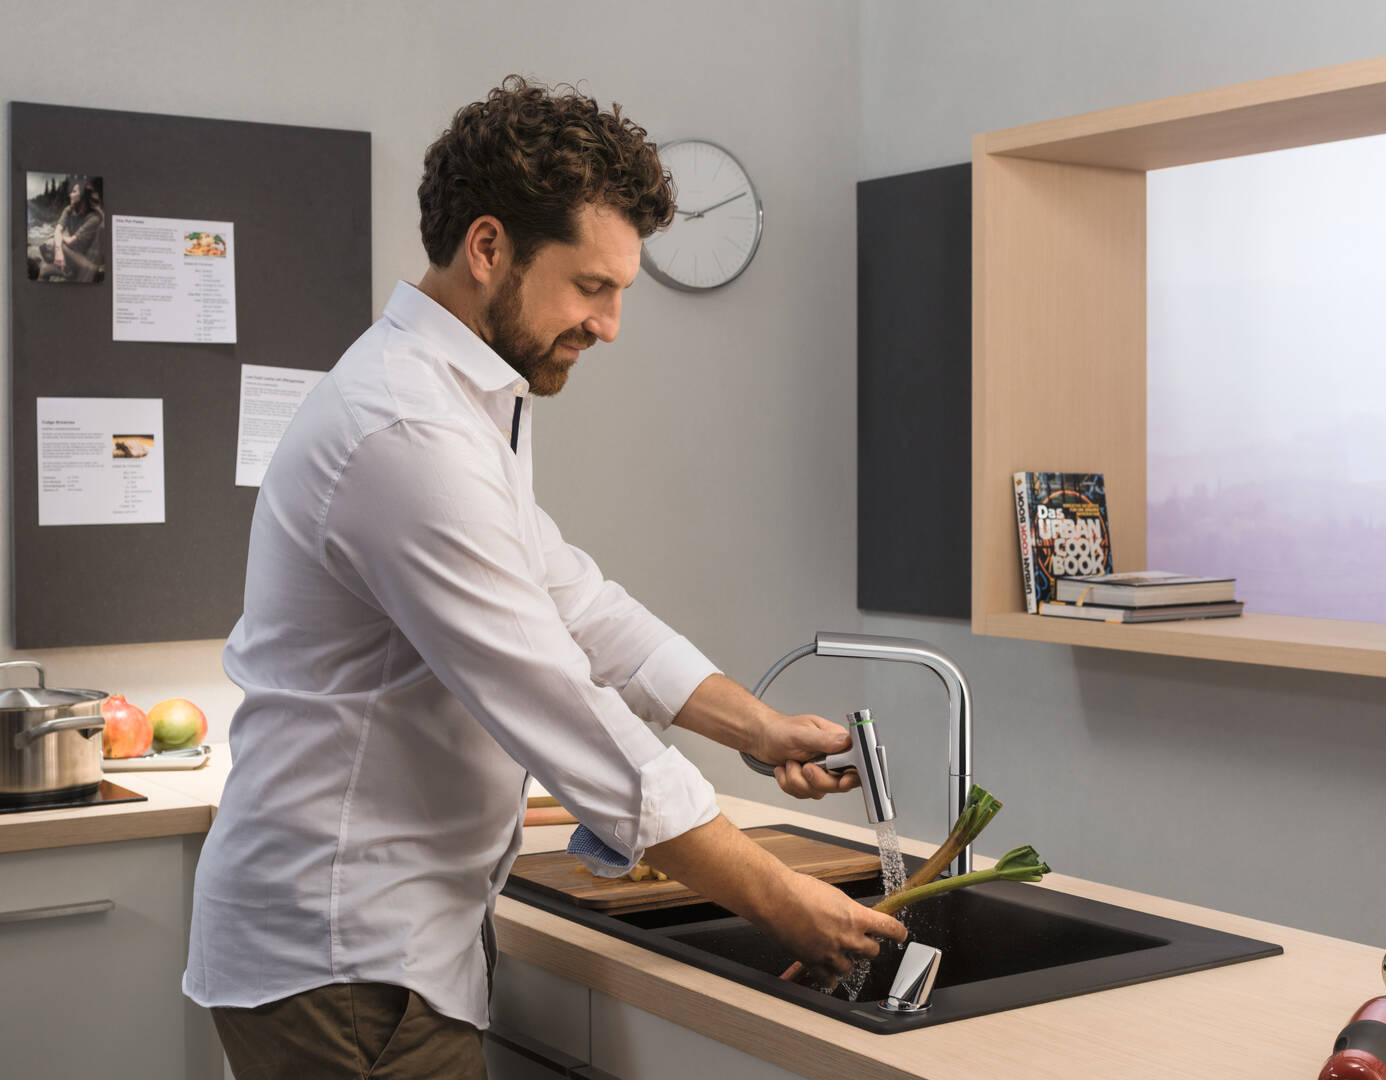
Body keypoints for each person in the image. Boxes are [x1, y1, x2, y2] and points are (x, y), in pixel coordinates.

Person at [182, 77, 904, 1079]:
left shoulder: (462, 398)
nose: (609, 324)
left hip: (376, 943)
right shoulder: (406, 433)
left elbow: (572, 598)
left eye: (619, 291)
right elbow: (553, 701)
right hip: (344, 958)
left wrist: (757, 726)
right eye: (591, 287)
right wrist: (777, 896)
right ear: (488, 248)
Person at [36, 178, 103, 282]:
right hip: (74, 256)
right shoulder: (69, 210)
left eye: (74, 191)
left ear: (82, 196)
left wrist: (58, 239)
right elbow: (58, 230)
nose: (70, 195)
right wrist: (59, 251)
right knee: (44, 267)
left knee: (50, 243)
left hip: (88, 264)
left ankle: (71, 274)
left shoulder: (94, 218)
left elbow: (70, 240)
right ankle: (68, 274)